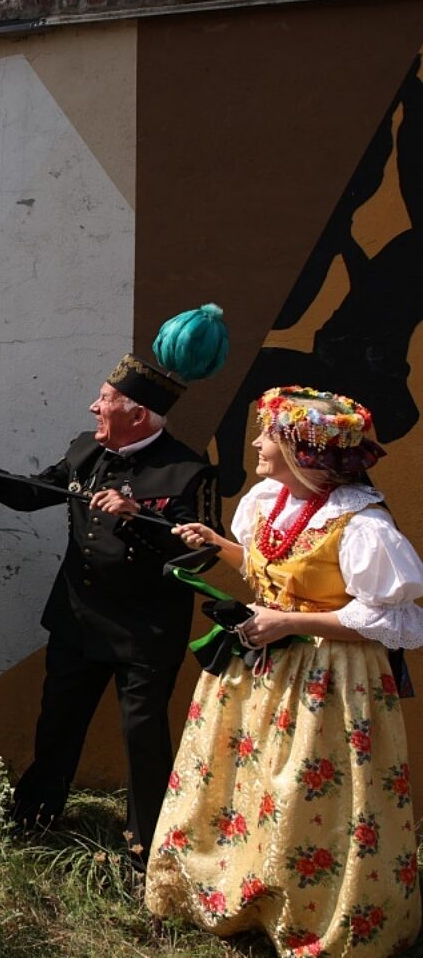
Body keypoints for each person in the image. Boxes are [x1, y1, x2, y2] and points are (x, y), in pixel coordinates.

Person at [147, 387, 423, 957]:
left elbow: (393, 620)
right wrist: (221, 545)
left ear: (303, 452)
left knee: (302, 788)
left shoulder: (363, 525)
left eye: (268, 435)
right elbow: (270, 568)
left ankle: (309, 910)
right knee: (246, 777)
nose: (256, 443)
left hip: (329, 677)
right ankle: (247, 891)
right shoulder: (270, 501)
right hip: (262, 667)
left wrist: (289, 622)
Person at [0, 308, 227, 858]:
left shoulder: (189, 472)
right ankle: (35, 818)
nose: (94, 407)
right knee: (58, 723)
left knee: (143, 738)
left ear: (137, 414)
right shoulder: (85, 449)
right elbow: (35, 493)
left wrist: (137, 518)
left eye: (105, 399)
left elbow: (203, 555)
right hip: (78, 619)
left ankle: (148, 846)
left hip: (145, 633)